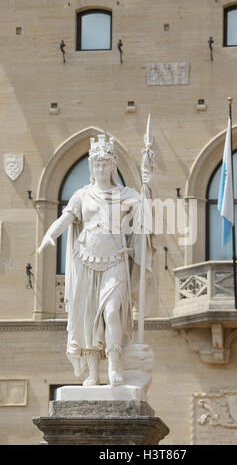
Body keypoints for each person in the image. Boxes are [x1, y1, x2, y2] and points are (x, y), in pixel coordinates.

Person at [37, 134, 155, 386]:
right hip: (86, 262)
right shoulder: (82, 195)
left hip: (115, 261)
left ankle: (114, 367)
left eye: (105, 164)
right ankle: (93, 373)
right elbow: (66, 219)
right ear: (92, 167)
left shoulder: (125, 194)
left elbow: (146, 212)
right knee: (89, 319)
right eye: (97, 165)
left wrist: (148, 184)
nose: (101, 169)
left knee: (112, 312)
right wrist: (50, 234)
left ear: (113, 167)